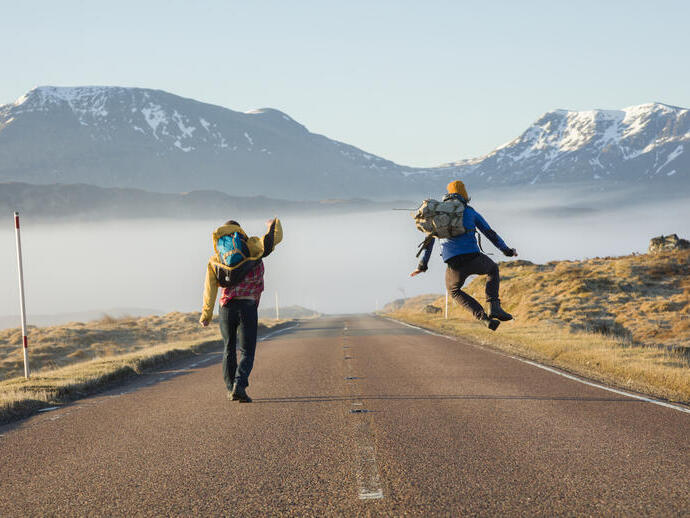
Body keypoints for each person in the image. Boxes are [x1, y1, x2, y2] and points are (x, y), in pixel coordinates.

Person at [411, 181, 517, 331]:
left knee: (454, 290)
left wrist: (422, 265)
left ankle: (484, 319)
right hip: (473, 257)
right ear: (464, 194)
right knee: (492, 269)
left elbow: (429, 240)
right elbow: (489, 233)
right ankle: (494, 306)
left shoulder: (439, 216)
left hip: (453, 263)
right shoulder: (469, 211)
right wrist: (507, 250)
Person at [200, 218, 283, 402]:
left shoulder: (216, 258)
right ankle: (240, 385)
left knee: (228, 348)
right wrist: (272, 225)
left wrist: (206, 314)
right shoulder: (252, 246)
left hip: (226, 308)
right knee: (247, 351)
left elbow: (210, 288)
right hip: (247, 306)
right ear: (239, 231)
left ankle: (231, 389)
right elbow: (274, 239)